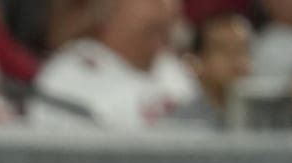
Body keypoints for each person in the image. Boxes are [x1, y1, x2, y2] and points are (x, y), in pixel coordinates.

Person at [27, 0, 202, 126]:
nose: (167, 9)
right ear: (110, 9)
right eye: (153, 2)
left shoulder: (175, 70)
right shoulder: (68, 77)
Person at [179, 10, 253, 123]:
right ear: (197, 62)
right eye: (223, 49)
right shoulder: (181, 123)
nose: (235, 59)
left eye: (241, 49)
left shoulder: (270, 119)